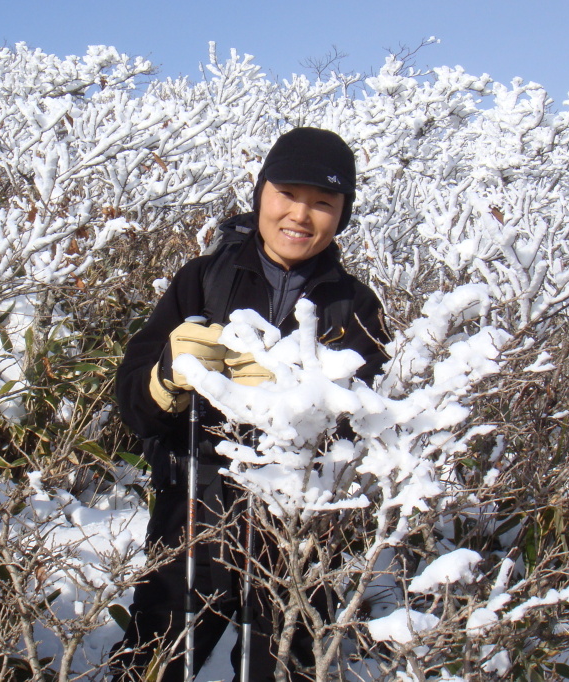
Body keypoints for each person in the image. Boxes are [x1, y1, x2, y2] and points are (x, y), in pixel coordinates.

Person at [110, 127, 390, 681]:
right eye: (287, 194)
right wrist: (168, 375)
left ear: (343, 215)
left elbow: (369, 427)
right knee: (153, 664)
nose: (301, 216)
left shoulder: (353, 305)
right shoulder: (202, 279)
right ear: (261, 192)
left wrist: (301, 399)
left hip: (297, 528)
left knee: (286, 669)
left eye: (323, 204)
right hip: (194, 507)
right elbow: (132, 405)